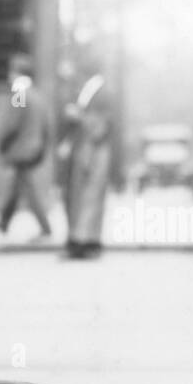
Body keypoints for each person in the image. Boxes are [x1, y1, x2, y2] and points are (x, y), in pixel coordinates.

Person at [0, 53, 51, 238]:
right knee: (18, 184)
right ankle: (4, 220)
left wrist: (2, 142)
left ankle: (45, 227)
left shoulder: (19, 92)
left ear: (18, 73)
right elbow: (46, 126)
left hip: (22, 148)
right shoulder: (36, 94)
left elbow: (13, 123)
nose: (9, 75)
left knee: (27, 187)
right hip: (34, 147)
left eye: (12, 71)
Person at [63, 73, 113, 259]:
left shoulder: (19, 91)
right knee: (81, 197)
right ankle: (83, 239)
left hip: (20, 148)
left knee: (85, 196)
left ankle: (81, 239)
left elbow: (17, 111)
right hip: (84, 149)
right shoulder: (91, 89)